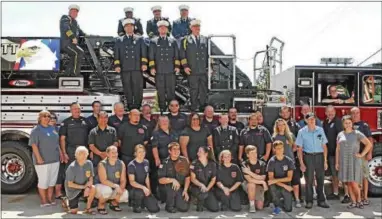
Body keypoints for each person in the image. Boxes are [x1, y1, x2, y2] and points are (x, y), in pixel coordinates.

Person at [336, 115, 372, 209]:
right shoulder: (340, 134)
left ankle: (359, 200)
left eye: (349, 123)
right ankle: (353, 202)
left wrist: (362, 154)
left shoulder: (357, 133)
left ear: (352, 123)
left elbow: (368, 144)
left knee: (354, 182)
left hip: (354, 160)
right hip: (344, 161)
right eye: (345, 123)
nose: (347, 124)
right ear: (343, 124)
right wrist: (337, 162)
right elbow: (338, 149)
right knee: (348, 183)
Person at [296, 112, 330, 209]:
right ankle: (309, 201)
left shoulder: (320, 130)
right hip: (308, 157)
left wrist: (325, 160)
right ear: (306, 120)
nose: (312, 121)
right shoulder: (301, 132)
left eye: (313, 119)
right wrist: (302, 163)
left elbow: (324, 146)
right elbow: (299, 149)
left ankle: (321, 201)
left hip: (319, 156)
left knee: (320, 180)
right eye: (310, 119)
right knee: (309, 180)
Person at [114, 18, 148, 110]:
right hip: (125, 68)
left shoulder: (140, 39)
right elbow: (116, 54)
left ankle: (137, 106)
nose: (129, 28)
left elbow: (143, 53)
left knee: (138, 88)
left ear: (134, 28)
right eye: (127, 26)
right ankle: (129, 106)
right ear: (124, 28)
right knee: (127, 88)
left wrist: (144, 64)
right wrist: (117, 65)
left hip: (137, 68)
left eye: (131, 26)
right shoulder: (119, 40)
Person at [29, 110, 61, 207]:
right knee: (44, 181)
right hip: (42, 161)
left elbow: (57, 144)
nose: (47, 118)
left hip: (55, 159)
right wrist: (38, 158)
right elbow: (34, 145)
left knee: (52, 181)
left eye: (48, 116)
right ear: (40, 118)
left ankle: (50, 198)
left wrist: (61, 154)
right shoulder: (36, 130)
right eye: (44, 116)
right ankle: (43, 200)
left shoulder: (53, 128)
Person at [148, 20, 180, 113]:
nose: (163, 29)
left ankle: (172, 110)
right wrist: (152, 68)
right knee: (160, 91)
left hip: (170, 70)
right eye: (161, 28)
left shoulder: (173, 41)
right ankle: (162, 109)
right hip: (159, 70)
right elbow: (151, 56)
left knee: (171, 90)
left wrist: (177, 66)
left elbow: (176, 55)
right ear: (158, 29)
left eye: (164, 28)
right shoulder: (153, 41)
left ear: (167, 29)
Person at [180, 19, 209, 112]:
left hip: (203, 70)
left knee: (203, 89)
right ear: (191, 28)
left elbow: (208, 54)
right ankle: (194, 107)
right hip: (192, 69)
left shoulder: (205, 39)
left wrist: (210, 67)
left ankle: (202, 107)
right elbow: (182, 55)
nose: (197, 29)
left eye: (198, 27)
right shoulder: (185, 40)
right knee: (194, 89)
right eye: (195, 27)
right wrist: (185, 66)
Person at [272, 118, 302, 208]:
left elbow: (295, 147)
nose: (281, 126)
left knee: (295, 182)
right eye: (279, 125)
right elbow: (274, 151)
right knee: (283, 182)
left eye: (283, 124)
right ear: (277, 127)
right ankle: (283, 200)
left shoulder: (290, 135)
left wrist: (290, 153)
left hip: (291, 162)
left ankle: (297, 199)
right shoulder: (274, 137)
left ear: (286, 125)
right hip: (280, 164)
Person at [158, 142, 190, 213]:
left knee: (184, 208)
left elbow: (187, 177)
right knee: (171, 187)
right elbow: (160, 180)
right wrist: (172, 180)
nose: (177, 151)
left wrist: (185, 190)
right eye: (174, 149)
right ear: (169, 151)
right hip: (166, 188)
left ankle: (176, 201)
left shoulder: (184, 160)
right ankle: (169, 206)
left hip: (179, 188)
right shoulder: (164, 163)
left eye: (178, 149)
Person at [351, 107, 374, 206]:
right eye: (353, 113)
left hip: (362, 155)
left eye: (357, 113)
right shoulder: (348, 125)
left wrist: (369, 153)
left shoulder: (364, 125)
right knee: (355, 178)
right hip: (352, 156)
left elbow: (370, 140)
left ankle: (365, 197)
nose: (355, 115)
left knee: (364, 177)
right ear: (350, 114)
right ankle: (357, 197)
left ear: (360, 114)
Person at [95, 146, 128, 214]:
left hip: (113, 188)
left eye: (116, 152)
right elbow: (103, 180)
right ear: (107, 154)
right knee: (107, 190)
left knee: (125, 194)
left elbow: (123, 180)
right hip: (101, 187)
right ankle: (100, 205)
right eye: (112, 153)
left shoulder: (121, 163)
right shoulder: (102, 164)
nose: (115, 154)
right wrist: (116, 186)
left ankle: (113, 203)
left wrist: (120, 190)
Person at [64, 146, 96, 215]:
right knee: (74, 212)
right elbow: (70, 184)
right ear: (76, 155)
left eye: (85, 153)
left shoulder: (89, 163)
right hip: (72, 190)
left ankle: (88, 208)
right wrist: (84, 187)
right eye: (81, 153)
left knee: (93, 188)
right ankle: (66, 201)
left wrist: (87, 187)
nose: (84, 155)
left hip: (84, 187)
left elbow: (91, 178)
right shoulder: (72, 167)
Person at [128, 145, 160, 213]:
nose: (142, 153)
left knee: (155, 209)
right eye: (139, 152)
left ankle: (143, 202)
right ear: (135, 153)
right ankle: (135, 204)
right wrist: (143, 188)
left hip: (144, 189)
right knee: (139, 193)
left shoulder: (146, 162)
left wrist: (149, 190)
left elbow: (147, 178)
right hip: (134, 189)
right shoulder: (131, 165)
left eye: (143, 151)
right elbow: (132, 182)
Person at [267, 141, 295, 215]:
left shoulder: (289, 160)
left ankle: (282, 201)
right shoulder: (271, 161)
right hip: (277, 185)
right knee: (272, 186)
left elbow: (289, 178)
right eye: (277, 148)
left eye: (281, 148)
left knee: (288, 209)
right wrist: (284, 185)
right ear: (274, 150)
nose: (279, 150)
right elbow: (271, 179)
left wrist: (284, 184)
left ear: (283, 149)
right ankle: (277, 206)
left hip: (286, 183)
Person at [190, 146, 219, 212]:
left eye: (200, 152)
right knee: (202, 195)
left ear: (206, 154)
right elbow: (193, 179)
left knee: (215, 208)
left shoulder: (212, 164)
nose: (197, 153)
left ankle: (204, 200)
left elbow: (213, 180)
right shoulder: (194, 164)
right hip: (196, 187)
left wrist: (207, 188)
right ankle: (198, 201)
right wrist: (201, 185)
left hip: (207, 188)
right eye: (198, 152)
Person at [322, 105, 342, 200]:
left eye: (332, 111)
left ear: (335, 112)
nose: (330, 113)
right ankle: (334, 191)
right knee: (332, 174)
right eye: (328, 112)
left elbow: (340, 138)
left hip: (335, 153)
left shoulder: (338, 122)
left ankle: (336, 193)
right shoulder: (325, 122)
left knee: (335, 174)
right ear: (325, 113)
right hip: (329, 152)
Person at [59, 4, 85, 76]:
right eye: (73, 11)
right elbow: (66, 28)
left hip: (72, 44)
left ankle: (68, 73)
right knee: (78, 53)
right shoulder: (65, 18)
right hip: (67, 43)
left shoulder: (75, 23)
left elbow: (81, 32)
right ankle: (74, 73)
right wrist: (73, 37)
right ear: (69, 12)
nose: (74, 13)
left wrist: (89, 36)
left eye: (76, 12)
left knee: (76, 55)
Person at [241, 145, 268, 213]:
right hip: (248, 184)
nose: (254, 155)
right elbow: (249, 180)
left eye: (255, 152)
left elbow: (263, 178)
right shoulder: (244, 164)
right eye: (252, 153)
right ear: (247, 155)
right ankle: (252, 205)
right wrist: (262, 182)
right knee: (251, 184)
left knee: (259, 207)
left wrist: (249, 172)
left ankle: (253, 198)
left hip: (258, 185)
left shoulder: (262, 163)